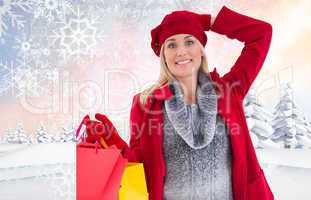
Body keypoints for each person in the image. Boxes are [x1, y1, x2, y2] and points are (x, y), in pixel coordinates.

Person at [93, 5, 274, 200]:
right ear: (163, 55)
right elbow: (141, 169)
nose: (181, 51)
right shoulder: (145, 104)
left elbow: (261, 33)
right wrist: (113, 144)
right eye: (171, 45)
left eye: (189, 42)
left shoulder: (229, 92)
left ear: (201, 50)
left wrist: (208, 22)